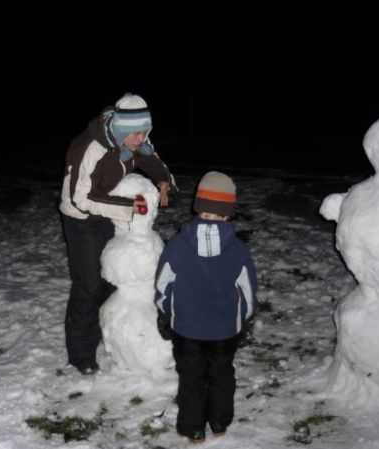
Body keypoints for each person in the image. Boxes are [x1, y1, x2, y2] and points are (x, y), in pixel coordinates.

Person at [59, 93, 172, 375]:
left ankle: (111, 336)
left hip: (111, 212)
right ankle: (81, 354)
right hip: (82, 219)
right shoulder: (88, 148)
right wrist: (129, 207)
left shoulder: (135, 139)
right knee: (89, 285)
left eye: (146, 132)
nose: (142, 139)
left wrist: (163, 180)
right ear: (120, 129)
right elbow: (78, 199)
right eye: (137, 134)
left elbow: (152, 158)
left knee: (112, 280)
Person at [154, 171, 259, 444]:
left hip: (187, 329)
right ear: (227, 213)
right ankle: (220, 423)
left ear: (198, 207)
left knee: (191, 377)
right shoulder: (238, 250)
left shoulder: (177, 246)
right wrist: (245, 319)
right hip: (225, 331)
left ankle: (193, 429)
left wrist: (165, 312)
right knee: (222, 374)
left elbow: (164, 283)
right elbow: (248, 291)